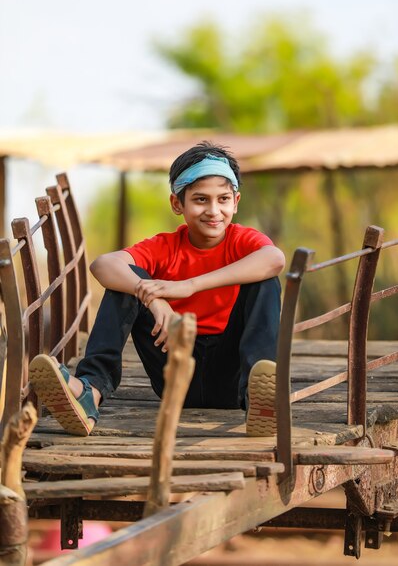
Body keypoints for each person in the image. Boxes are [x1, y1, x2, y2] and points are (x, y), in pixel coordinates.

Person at [29, 141, 285, 437]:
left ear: (236, 201)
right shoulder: (165, 247)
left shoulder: (243, 241)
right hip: (173, 366)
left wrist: (188, 287)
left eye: (223, 199)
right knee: (127, 279)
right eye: (200, 200)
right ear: (178, 204)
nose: (213, 210)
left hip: (231, 377)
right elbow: (103, 265)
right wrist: (153, 298)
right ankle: (90, 392)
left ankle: (262, 401)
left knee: (265, 279)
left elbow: (274, 259)